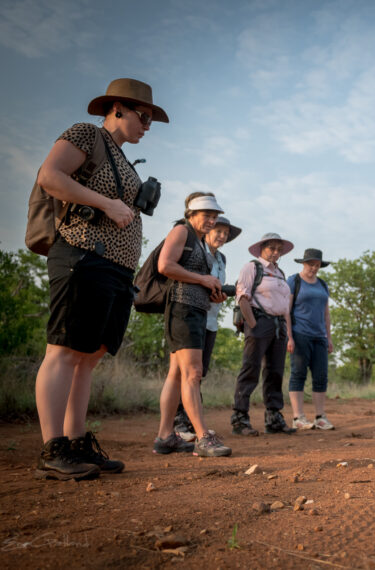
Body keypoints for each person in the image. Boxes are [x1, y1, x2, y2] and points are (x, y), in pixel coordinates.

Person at [33, 78, 168, 480]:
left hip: (115, 268)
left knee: (88, 358)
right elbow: (50, 176)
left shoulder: (124, 159)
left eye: (150, 121)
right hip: (81, 254)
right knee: (63, 350)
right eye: (143, 117)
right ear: (117, 108)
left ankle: (76, 444)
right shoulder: (85, 134)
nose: (146, 126)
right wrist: (108, 202)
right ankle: (52, 448)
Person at [153, 193, 232, 457]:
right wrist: (202, 279)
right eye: (207, 215)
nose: (212, 220)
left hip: (197, 310)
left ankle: (165, 437)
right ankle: (202, 437)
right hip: (182, 309)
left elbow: (197, 280)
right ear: (191, 214)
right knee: (193, 374)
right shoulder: (181, 231)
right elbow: (165, 265)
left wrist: (213, 291)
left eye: (215, 216)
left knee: (177, 375)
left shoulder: (198, 241)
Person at [174, 216, 242, 442]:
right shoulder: (196, 248)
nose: (222, 236)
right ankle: (179, 423)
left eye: (225, 233)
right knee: (184, 373)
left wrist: (220, 295)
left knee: (198, 373)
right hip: (189, 314)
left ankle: (190, 422)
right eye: (218, 231)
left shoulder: (221, 258)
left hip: (210, 319)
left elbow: (214, 287)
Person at [231, 233, 297, 435]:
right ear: (262, 248)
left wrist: (288, 332)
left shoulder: (280, 274)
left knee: (275, 371)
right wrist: (253, 324)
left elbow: (285, 307)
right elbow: (242, 297)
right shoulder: (252, 267)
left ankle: (274, 417)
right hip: (259, 321)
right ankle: (240, 418)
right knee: (250, 369)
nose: (276, 253)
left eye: (279, 249)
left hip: (279, 326)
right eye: (272, 248)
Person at [287, 249, 335, 430]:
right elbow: (286, 309)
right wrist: (289, 336)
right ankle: (298, 417)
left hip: (319, 336)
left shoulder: (322, 284)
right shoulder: (294, 281)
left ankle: (320, 416)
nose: (314, 268)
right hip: (300, 334)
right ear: (303, 263)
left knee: (321, 376)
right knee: (298, 373)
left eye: (317, 265)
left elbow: (326, 313)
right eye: (310, 264)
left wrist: (328, 337)